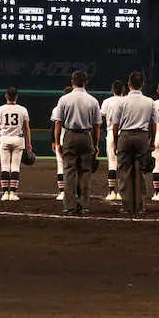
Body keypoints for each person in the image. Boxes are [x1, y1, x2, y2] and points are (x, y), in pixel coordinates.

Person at [53, 70, 102, 215]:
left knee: (69, 171)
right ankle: (84, 205)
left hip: (70, 135)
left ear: (72, 82)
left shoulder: (64, 99)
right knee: (85, 171)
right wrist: (96, 144)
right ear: (86, 82)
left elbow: (58, 123)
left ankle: (69, 206)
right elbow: (97, 126)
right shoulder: (93, 100)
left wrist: (57, 142)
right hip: (86, 136)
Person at [112, 71, 156, 214]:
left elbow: (115, 125)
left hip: (125, 136)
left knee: (125, 172)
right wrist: (152, 141)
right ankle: (140, 205)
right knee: (141, 172)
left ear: (129, 84)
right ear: (142, 84)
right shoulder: (149, 101)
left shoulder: (122, 101)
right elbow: (153, 124)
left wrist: (116, 141)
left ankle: (127, 206)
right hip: (142, 136)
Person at [0, 86, 33, 201]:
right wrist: (29, 143)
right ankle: (13, 193)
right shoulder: (22, 109)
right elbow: (26, 128)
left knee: (5, 166)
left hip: (5, 139)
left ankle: (5, 193)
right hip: (18, 139)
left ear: (6, 96)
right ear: (17, 96)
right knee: (15, 166)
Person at [100, 79, 127, 201]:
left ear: (112, 90)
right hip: (124, 133)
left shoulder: (107, 102)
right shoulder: (126, 101)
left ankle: (111, 192)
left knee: (112, 163)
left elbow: (102, 118)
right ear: (123, 90)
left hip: (111, 132)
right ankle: (121, 192)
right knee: (123, 164)